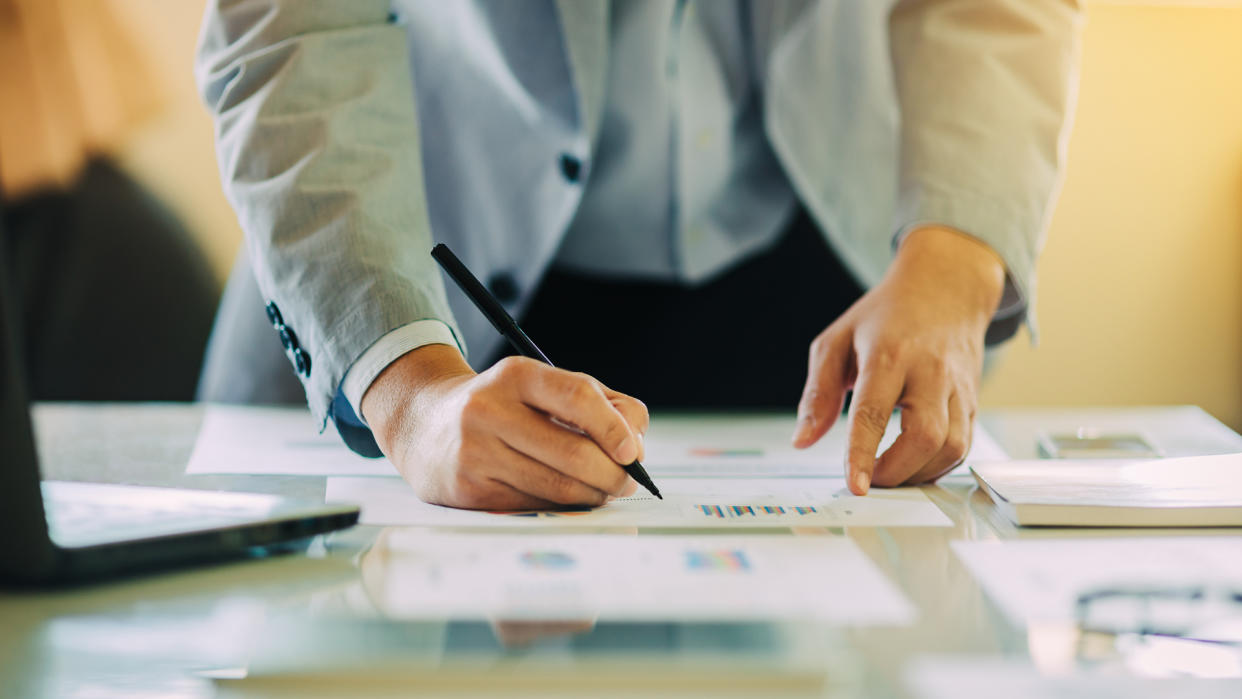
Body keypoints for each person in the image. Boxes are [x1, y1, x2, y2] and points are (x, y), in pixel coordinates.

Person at [195, 0, 1081, 510]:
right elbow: (296, 23)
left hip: (822, 264)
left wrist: (957, 259)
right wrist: (410, 397)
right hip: (417, 274)